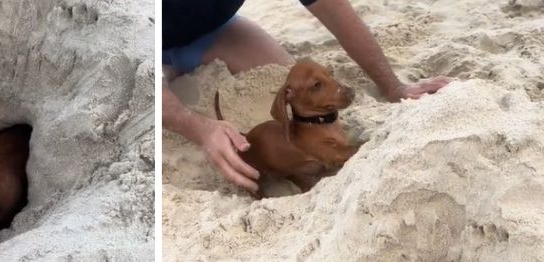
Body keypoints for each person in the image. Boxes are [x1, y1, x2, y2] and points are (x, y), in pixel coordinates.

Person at [162, 0, 451, 193]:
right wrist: (198, 128)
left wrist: (394, 87)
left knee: (290, 80)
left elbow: (333, 9)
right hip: (143, 35)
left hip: (214, 32)